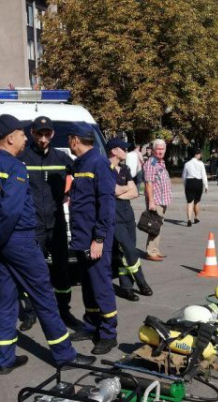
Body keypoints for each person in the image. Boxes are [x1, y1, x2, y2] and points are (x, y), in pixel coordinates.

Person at [0, 114, 95, 374]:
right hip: (20, 240)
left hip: (0, 244)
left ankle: (4, 359)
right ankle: (65, 355)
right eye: (23, 134)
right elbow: (11, 212)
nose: (26, 138)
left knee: (6, 300)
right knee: (44, 297)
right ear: (11, 137)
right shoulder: (14, 167)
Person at [20, 115, 83, 331]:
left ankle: (64, 311)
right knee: (32, 270)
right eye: (40, 134)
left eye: (47, 135)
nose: (44, 139)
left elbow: (82, 178)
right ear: (32, 133)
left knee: (61, 269)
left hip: (56, 223)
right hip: (32, 224)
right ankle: (30, 312)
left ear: (53, 134)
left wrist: (69, 193)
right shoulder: (23, 158)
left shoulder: (61, 158)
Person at [66, 123, 118, 355]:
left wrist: (99, 238)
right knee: (88, 285)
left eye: (68, 138)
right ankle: (91, 324)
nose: (68, 142)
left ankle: (108, 334)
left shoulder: (98, 163)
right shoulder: (81, 163)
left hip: (95, 238)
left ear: (75, 140)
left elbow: (106, 204)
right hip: (81, 236)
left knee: (101, 286)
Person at [107, 137, 153, 302]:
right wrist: (122, 189)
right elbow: (110, 191)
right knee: (129, 249)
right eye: (123, 149)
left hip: (127, 213)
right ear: (114, 151)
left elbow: (135, 192)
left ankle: (126, 287)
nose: (126, 151)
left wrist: (120, 190)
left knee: (127, 250)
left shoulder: (124, 168)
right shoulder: (105, 169)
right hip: (113, 214)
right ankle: (141, 282)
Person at [143, 139, 172, 261]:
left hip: (162, 200)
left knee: (158, 225)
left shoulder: (160, 162)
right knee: (154, 226)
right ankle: (151, 251)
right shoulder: (151, 163)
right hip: (155, 201)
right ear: (154, 150)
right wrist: (151, 202)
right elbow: (148, 184)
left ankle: (155, 249)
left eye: (162, 149)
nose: (160, 151)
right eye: (158, 149)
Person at [182, 147, 208, 223]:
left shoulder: (187, 164)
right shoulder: (201, 163)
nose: (200, 155)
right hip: (198, 183)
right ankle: (196, 218)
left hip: (189, 182)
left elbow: (184, 176)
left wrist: (185, 185)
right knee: (196, 202)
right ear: (196, 154)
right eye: (199, 153)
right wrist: (206, 186)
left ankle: (189, 219)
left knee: (189, 202)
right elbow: (204, 175)